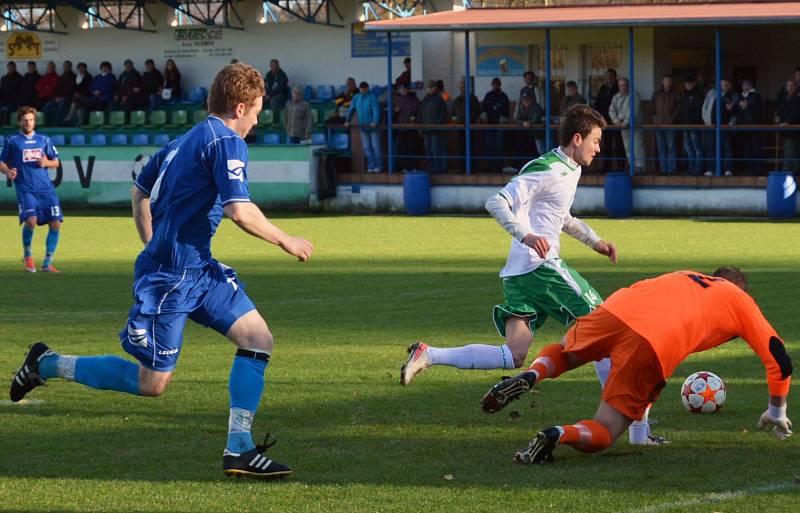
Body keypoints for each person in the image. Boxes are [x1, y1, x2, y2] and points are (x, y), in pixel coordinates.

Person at [8, 62, 314, 480]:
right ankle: (47, 363)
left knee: (259, 339)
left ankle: (238, 448)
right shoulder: (226, 141)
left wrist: (150, 241)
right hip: (170, 278)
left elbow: (138, 193)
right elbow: (239, 211)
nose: (258, 119)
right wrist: (287, 240)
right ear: (240, 106)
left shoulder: (181, 141)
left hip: (198, 269)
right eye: (257, 110)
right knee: (152, 383)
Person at [401, 105, 655, 444]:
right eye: (595, 140)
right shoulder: (548, 169)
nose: (599, 148)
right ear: (577, 139)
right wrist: (527, 235)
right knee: (610, 332)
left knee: (514, 354)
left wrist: (594, 241)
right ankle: (637, 432)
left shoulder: (567, 168)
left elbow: (561, 216)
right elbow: (496, 202)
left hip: (518, 274)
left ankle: (429, 354)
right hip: (541, 269)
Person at [482, 267, 793, 464]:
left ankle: (534, 372)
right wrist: (776, 410)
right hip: (654, 341)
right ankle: (558, 433)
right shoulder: (739, 300)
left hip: (617, 308)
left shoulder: (685, 274)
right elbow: (779, 358)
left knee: (565, 351)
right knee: (605, 429)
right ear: (740, 289)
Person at [0, 106, 62, 273]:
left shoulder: (44, 140)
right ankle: (27, 256)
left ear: (35, 121)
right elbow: (1, 162)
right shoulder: (12, 141)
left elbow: (56, 162)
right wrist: (8, 171)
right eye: (25, 120)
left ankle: (47, 263)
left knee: (56, 223)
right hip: (25, 188)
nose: (28, 123)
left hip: (46, 189)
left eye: (31, 119)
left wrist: (46, 163)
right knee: (31, 221)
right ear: (19, 122)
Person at [345, 81, 382, 173]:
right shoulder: (356, 97)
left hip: (373, 127)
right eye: (362, 89)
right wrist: (347, 120)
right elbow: (351, 109)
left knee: (376, 147)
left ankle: (379, 166)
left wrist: (375, 121)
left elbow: (376, 109)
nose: (363, 90)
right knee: (366, 147)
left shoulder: (372, 97)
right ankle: (371, 165)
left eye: (365, 88)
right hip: (363, 127)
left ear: (368, 88)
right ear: (360, 89)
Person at [609, 77, 644, 174]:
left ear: (628, 86)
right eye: (620, 86)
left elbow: (634, 111)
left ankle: (639, 168)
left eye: (624, 85)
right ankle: (632, 166)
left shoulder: (634, 96)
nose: (622, 87)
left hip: (635, 126)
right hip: (623, 127)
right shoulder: (616, 97)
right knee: (628, 148)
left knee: (637, 147)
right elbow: (611, 110)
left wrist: (626, 122)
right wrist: (616, 122)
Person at [706, 77, 739, 176]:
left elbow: (736, 111)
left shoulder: (733, 95)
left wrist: (732, 122)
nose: (723, 86)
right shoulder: (715, 94)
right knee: (712, 148)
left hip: (725, 126)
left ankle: (728, 169)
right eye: (722, 84)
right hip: (713, 126)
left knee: (726, 148)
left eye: (726, 84)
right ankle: (711, 169)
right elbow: (708, 108)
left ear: (729, 85)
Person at [651, 74, 680, 174]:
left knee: (671, 146)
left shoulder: (675, 94)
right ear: (662, 82)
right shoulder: (657, 94)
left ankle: (671, 168)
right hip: (658, 125)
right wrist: (654, 119)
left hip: (670, 125)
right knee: (661, 146)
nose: (667, 83)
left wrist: (672, 119)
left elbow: (678, 108)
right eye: (666, 81)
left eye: (669, 81)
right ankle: (663, 168)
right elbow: (651, 108)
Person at [593, 68, 621, 171]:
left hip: (616, 121)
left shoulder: (618, 87)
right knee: (607, 144)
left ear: (615, 77)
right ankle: (607, 166)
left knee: (619, 144)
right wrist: (597, 117)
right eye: (607, 76)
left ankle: (620, 167)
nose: (609, 78)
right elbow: (597, 102)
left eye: (611, 76)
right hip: (604, 122)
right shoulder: (603, 88)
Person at [419, 80, 448, 173]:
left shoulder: (439, 99)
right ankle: (430, 167)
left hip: (436, 130)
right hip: (426, 129)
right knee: (428, 149)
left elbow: (443, 114)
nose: (430, 88)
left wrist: (438, 125)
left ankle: (437, 168)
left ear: (435, 88)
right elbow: (421, 114)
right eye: (428, 87)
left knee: (436, 149)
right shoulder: (425, 100)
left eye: (432, 87)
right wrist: (420, 126)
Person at [678, 75, 704, 175]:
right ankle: (691, 168)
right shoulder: (683, 95)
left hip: (695, 125)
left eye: (690, 83)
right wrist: (682, 121)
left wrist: (692, 121)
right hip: (685, 125)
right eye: (686, 83)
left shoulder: (698, 95)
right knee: (688, 148)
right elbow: (681, 109)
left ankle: (698, 168)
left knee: (697, 147)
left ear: (694, 83)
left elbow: (699, 110)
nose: (688, 85)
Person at [481, 77, 510, 171]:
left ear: (500, 85)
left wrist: (503, 119)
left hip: (499, 126)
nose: (495, 86)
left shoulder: (504, 96)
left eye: (497, 84)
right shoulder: (488, 95)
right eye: (493, 84)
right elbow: (483, 109)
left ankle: (498, 166)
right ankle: (490, 166)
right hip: (489, 126)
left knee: (499, 146)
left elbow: (506, 111)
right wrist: (484, 117)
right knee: (489, 146)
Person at [736, 78, 763, 174]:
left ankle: (758, 169)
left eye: (747, 85)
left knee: (756, 148)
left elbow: (758, 110)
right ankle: (750, 168)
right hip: (744, 126)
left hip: (754, 126)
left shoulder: (756, 95)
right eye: (743, 85)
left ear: (751, 86)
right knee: (747, 149)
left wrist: (748, 106)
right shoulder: (741, 96)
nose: (745, 87)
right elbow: (738, 110)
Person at [393, 82, 420, 171]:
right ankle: (404, 167)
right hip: (400, 128)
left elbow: (419, 112)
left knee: (413, 148)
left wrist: (415, 120)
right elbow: (389, 114)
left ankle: (414, 167)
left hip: (412, 128)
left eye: (404, 88)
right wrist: (394, 112)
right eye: (401, 89)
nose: (403, 90)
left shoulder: (414, 99)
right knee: (401, 148)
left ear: (408, 89)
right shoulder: (395, 99)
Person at [775, 78, 800, 173]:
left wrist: (788, 122)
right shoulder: (784, 98)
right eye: (788, 86)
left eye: (792, 86)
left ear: (796, 87)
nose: (790, 88)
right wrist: (778, 118)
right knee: (786, 150)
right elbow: (780, 111)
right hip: (784, 129)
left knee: (792, 151)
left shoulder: (797, 99)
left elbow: (797, 113)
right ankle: (790, 170)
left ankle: (788, 171)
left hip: (793, 129)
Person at [44, 61, 75, 126]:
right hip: (59, 97)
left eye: (67, 66)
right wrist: (56, 97)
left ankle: (58, 123)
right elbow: (57, 89)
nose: (65, 68)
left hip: (69, 98)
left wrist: (62, 97)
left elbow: (71, 90)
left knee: (62, 104)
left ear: (70, 67)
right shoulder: (62, 77)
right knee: (48, 104)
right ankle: (46, 123)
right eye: (64, 66)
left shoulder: (74, 77)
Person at [701, 82, 717, 175]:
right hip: (709, 125)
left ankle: (720, 169)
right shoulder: (710, 94)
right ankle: (710, 169)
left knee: (721, 148)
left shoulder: (724, 94)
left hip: (720, 126)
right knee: (710, 148)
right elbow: (704, 108)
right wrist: (706, 121)